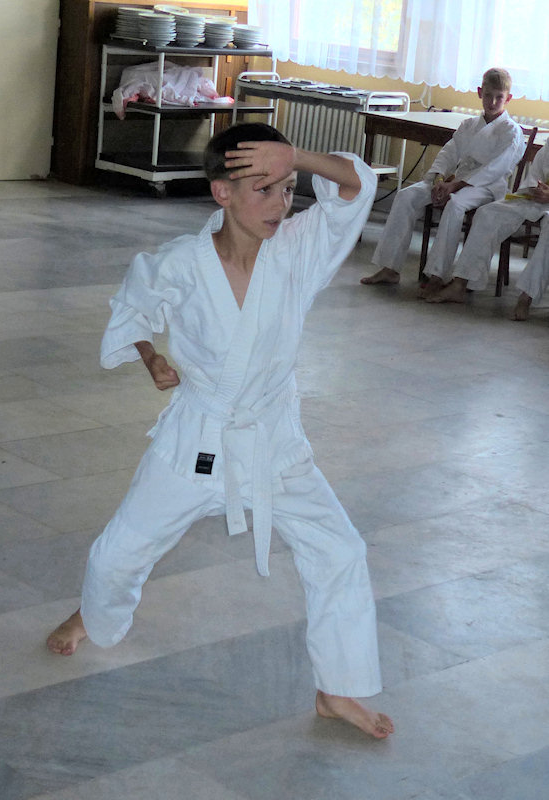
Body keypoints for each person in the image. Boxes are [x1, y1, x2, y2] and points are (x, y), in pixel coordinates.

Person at [46, 123, 394, 740]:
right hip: (197, 437)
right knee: (120, 551)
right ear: (221, 193)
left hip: (274, 442)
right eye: (263, 189)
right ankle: (94, 620)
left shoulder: (300, 249)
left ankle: (338, 689)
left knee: (340, 550)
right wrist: (150, 356)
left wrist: (297, 156)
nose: (280, 204)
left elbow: (356, 185)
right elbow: (133, 309)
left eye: (287, 188)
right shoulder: (181, 262)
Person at [360, 68, 524, 296]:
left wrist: (454, 186)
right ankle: (390, 268)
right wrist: (439, 178)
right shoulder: (468, 125)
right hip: (453, 180)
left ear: (508, 98)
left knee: (455, 204)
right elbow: (449, 152)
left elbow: (495, 169)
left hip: (486, 186)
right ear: (480, 92)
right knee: (406, 196)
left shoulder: (512, 132)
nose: (493, 102)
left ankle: (437, 275)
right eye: (488, 95)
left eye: (499, 97)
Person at [424, 139, 549, 314]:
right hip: (533, 200)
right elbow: (534, 177)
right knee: (487, 213)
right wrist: (537, 189)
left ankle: (526, 297)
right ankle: (460, 283)